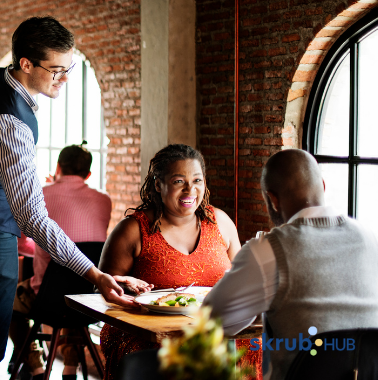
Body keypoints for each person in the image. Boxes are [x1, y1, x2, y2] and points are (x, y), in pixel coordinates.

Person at [0, 16, 135, 380]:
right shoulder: (10, 126)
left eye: (69, 68)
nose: (65, 78)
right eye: (56, 69)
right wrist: (95, 273)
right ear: (26, 63)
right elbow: (34, 220)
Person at [206, 149, 378, 380]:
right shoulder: (371, 237)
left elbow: (212, 320)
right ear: (323, 186)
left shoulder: (268, 251)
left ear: (273, 199)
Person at [97, 144, 259, 380]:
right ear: (157, 185)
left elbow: (242, 281)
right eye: (178, 181)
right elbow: (102, 292)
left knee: (251, 346)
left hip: (216, 329)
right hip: (148, 335)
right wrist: (124, 286)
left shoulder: (220, 222)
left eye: (197, 181)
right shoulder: (132, 230)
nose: (189, 190)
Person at [9, 144, 117, 380]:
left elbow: (20, 243)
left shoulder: (41, 194)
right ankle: (70, 365)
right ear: (88, 174)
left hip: (48, 299)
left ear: (58, 166)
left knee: (7, 303)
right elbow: (89, 246)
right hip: (89, 300)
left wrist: (41, 248)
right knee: (71, 292)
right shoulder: (104, 200)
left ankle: (35, 364)